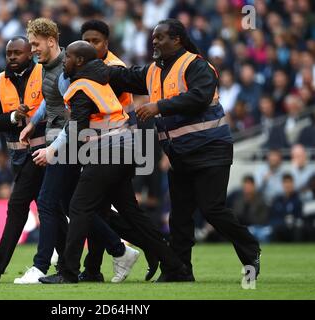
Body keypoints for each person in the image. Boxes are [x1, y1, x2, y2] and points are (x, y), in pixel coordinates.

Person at [107, 19, 261, 280]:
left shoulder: (197, 64)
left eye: (160, 37)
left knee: (212, 209)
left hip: (211, 147)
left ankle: (250, 249)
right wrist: (95, 66)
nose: (154, 41)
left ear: (177, 39)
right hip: (180, 153)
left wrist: (159, 106)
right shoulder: (154, 71)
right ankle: (180, 271)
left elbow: (199, 97)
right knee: (179, 215)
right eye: (153, 37)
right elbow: (125, 76)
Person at [38, 41, 191, 284]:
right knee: (129, 212)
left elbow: (78, 128)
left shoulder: (81, 87)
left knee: (78, 207)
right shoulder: (100, 81)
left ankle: (67, 273)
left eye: (68, 58)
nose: (64, 62)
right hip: (126, 149)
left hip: (109, 152)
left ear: (78, 61)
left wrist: (65, 156)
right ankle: (175, 265)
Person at [15, 18, 138, 284]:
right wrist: (32, 124)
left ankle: (40, 266)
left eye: (35, 44)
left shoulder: (66, 70)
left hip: (69, 143)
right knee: (72, 205)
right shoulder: (48, 67)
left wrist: (52, 150)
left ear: (51, 41)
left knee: (48, 202)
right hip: (62, 140)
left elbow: (73, 119)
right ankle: (121, 249)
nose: (32, 49)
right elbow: (51, 102)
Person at [78, 19, 158, 282]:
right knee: (115, 208)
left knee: (89, 206)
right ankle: (155, 248)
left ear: (106, 44)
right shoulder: (90, 68)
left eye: (96, 42)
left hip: (115, 145)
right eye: (86, 41)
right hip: (103, 145)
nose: (91, 46)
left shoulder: (112, 70)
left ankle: (155, 248)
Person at [0, 36, 46, 282]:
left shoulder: (45, 73)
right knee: (57, 208)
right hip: (18, 156)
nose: (12, 57)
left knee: (17, 207)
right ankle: (119, 248)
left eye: (18, 52)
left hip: (43, 154)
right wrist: (14, 116)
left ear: (30, 54)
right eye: (9, 53)